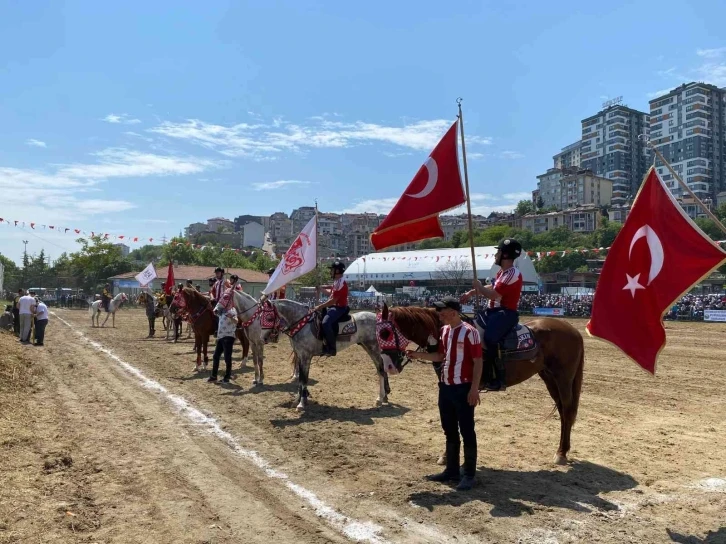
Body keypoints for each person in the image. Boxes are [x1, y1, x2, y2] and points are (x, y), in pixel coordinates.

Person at [406, 296, 483, 491]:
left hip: (463, 387)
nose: (439, 314)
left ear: (454, 312)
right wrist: (417, 354)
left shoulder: (470, 332)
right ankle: (451, 470)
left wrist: (474, 389)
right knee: (449, 429)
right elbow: (440, 356)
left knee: (466, 430)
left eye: (443, 311)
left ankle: (470, 474)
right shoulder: (445, 331)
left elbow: (478, 362)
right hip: (446, 387)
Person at [461, 238, 523, 392]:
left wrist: (479, 286)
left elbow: (493, 294)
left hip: (505, 313)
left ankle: (498, 377)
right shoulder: (502, 272)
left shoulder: (512, 273)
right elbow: (492, 286)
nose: (496, 255)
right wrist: (472, 292)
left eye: (498, 251)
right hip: (493, 313)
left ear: (505, 255)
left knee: (489, 338)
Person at [315, 261, 349, 357]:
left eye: (332, 270)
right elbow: (331, 290)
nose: (330, 272)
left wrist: (320, 306)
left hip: (339, 308)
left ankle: (332, 348)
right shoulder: (337, 281)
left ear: (337, 271)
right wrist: (322, 288)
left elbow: (333, 300)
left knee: (326, 323)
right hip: (334, 306)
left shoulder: (341, 283)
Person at [208, 300, 238, 383]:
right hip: (221, 337)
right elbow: (214, 312)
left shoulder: (233, 310)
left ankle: (227, 377)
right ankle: (214, 376)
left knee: (227, 358)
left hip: (228, 337)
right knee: (215, 356)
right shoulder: (222, 311)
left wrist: (231, 317)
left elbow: (236, 321)